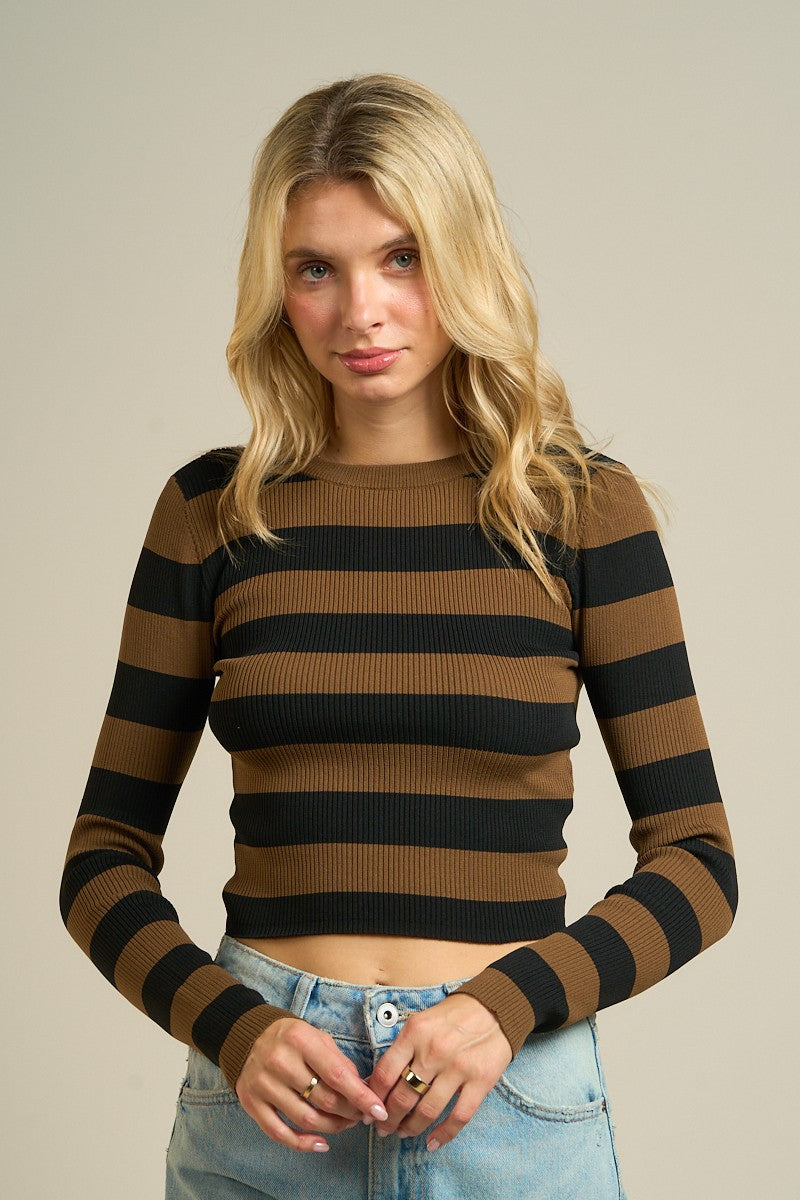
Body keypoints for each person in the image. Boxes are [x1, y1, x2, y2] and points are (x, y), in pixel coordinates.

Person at [60, 72, 738, 1200]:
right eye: (314, 269)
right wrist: (232, 1026)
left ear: (463, 259)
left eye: (401, 258)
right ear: (277, 288)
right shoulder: (211, 513)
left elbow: (698, 863)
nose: (359, 311)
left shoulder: (578, 511)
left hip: (509, 1096)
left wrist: (503, 1007)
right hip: (267, 1107)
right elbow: (100, 859)